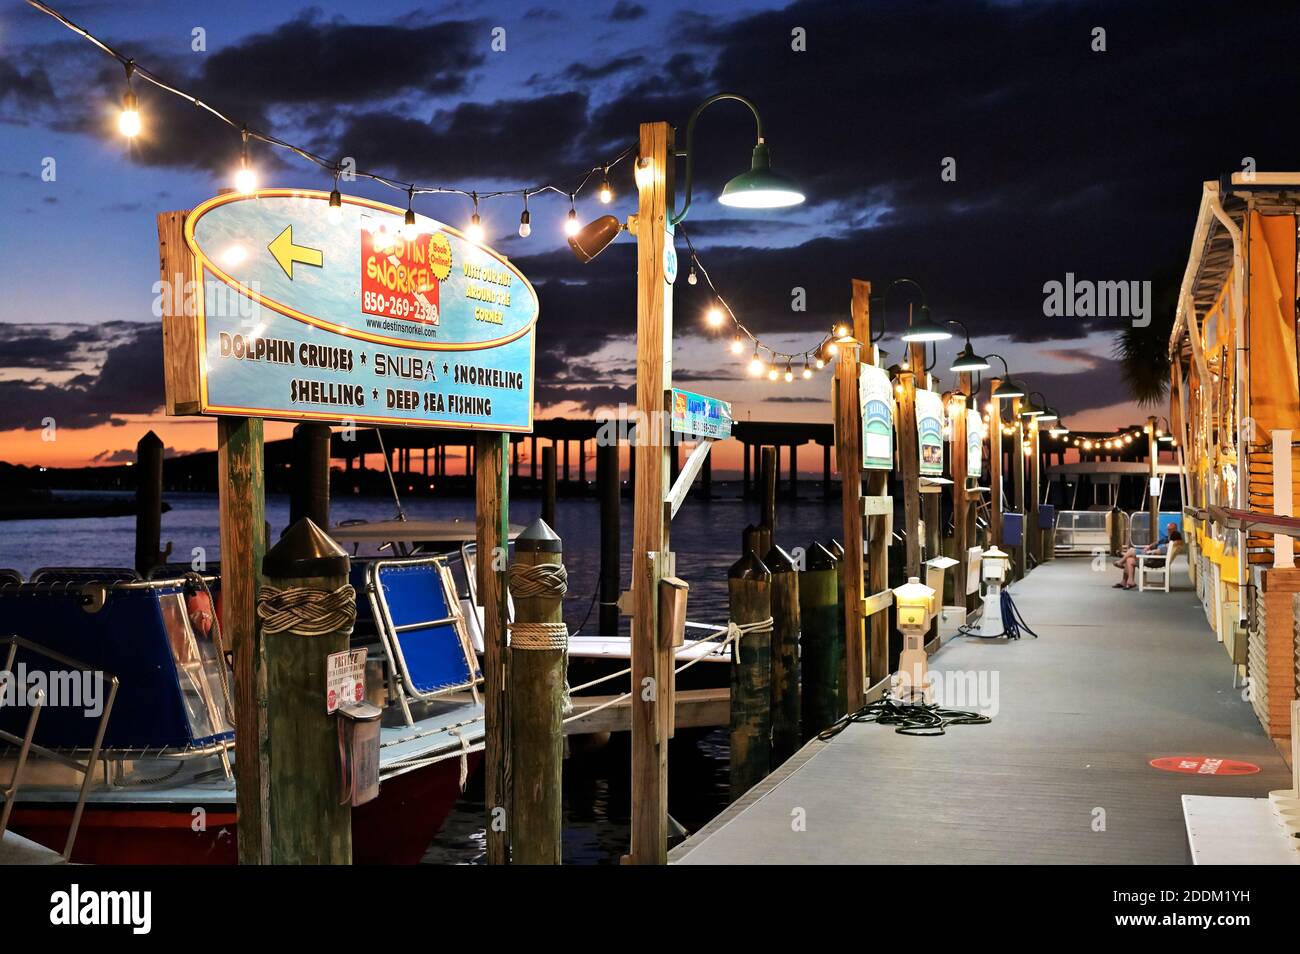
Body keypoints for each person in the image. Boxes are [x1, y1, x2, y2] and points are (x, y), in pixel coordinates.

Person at [1115, 522, 1182, 589]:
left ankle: (1120, 561)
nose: (1168, 531)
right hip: (1152, 558)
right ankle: (1129, 581)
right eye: (1168, 529)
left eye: (1170, 530)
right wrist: (1149, 547)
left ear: (1175, 529)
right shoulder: (1168, 540)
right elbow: (1157, 543)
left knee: (1131, 550)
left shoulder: (1171, 543)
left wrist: (1149, 552)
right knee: (1129, 559)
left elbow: (1158, 551)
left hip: (1153, 560)